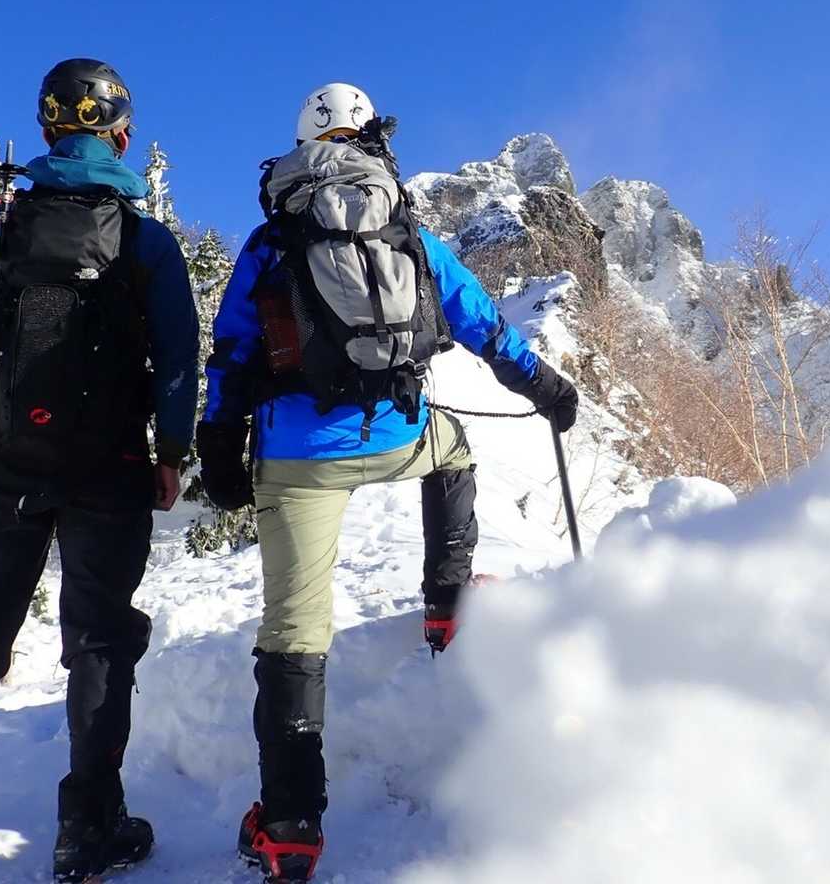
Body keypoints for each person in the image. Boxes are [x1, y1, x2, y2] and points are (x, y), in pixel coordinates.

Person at [197, 83, 578, 882]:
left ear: (304, 145)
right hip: (400, 433)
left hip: (300, 458)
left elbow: (232, 352)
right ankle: (445, 604)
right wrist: (545, 388)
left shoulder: (272, 238)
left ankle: (290, 826)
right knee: (455, 451)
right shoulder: (408, 230)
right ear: (372, 141)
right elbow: (483, 324)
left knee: (295, 631)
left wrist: (219, 446)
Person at [0, 58, 199, 882]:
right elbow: (178, 360)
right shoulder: (145, 239)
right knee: (99, 638)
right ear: (121, 135)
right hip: (112, 467)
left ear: (48, 127)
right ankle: (87, 826)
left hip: (11, 461)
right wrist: (170, 451)